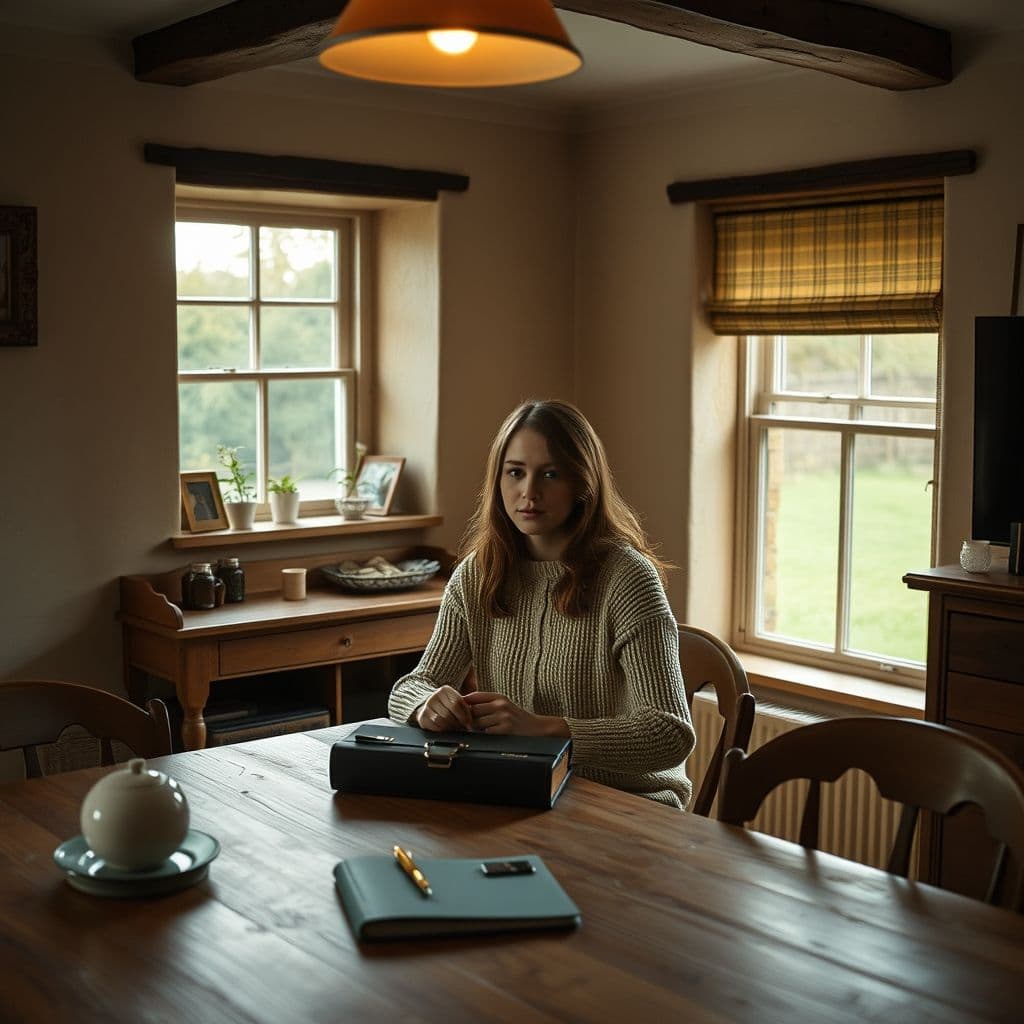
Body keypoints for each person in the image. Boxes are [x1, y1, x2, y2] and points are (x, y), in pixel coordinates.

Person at [387, 399, 696, 809]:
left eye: (549, 475)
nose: (528, 493)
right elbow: (408, 688)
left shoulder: (627, 578)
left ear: (582, 483)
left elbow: (669, 734)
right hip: (524, 791)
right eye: (515, 472)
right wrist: (426, 705)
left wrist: (548, 730)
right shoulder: (478, 574)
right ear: (498, 480)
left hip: (626, 802)